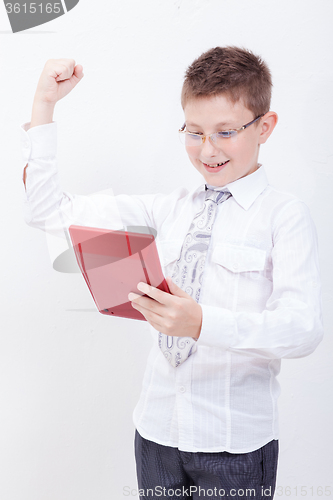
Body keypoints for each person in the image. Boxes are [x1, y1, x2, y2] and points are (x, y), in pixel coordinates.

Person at [21, 47, 324, 499]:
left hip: (235, 445)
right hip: (158, 431)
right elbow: (48, 211)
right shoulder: (169, 209)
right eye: (194, 132)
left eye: (225, 132)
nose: (208, 149)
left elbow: (303, 329)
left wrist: (202, 323)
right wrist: (43, 105)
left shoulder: (284, 215)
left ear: (265, 127)